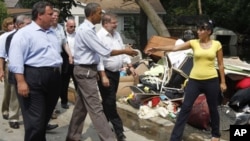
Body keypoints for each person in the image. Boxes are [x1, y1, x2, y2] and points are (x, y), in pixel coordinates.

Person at [66, 3, 138, 141]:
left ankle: (72, 136)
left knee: (81, 108)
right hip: (85, 72)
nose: (101, 15)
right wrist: (125, 51)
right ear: (92, 14)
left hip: (88, 71)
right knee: (96, 109)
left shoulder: (90, 29)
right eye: (99, 13)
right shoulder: (87, 31)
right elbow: (104, 52)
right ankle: (109, 138)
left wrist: (127, 60)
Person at [145, 20, 227, 141]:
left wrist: (223, 82)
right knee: (185, 108)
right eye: (198, 29)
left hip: (211, 80)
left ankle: (215, 135)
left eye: (201, 29)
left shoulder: (217, 44)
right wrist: (157, 48)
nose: (198, 31)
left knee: (213, 107)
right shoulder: (193, 43)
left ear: (209, 31)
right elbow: (174, 47)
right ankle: (175, 138)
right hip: (194, 80)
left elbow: (220, 64)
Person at [8, 1, 62, 141]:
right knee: (35, 123)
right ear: (40, 15)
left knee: (43, 120)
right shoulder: (24, 34)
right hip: (33, 78)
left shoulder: (52, 33)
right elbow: (16, 59)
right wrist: (21, 82)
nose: (53, 17)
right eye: (50, 14)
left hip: (53, 78)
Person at [96, 12, 136, 141]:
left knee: (108, 101)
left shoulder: (117, 34)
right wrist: (103, 76)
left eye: (116, 22)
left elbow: (122, 51)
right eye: (114, 23)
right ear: (106, 23)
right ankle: (119, 131)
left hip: (115, 73)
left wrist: (130, 65)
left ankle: (103, 127)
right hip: (105, 73)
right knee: (110, 102)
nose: (116, 25)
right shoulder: (99, 36)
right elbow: (99, 58)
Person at [0, 15, 31, 129]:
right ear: (19, 25)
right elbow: (2, 55)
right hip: (12, 65)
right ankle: (12, 115)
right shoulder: (7, 37)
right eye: (27, 24)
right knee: (12, 91)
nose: (29, 26)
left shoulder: (31, 36)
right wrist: (1, 70)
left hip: (28, 66)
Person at [51, 8, 73, 110]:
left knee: (58, 84)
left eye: (57, 15)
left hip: (59, 59)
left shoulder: (60, 28)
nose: (55, 17)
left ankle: (53, 107)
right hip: (48, 60)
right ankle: (50, 109)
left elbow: (64, 43)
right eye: (53, 15)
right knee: (51, 84)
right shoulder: (46, 28)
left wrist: (69, 55)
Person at [60, 18, 77, 110]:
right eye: (71, 26)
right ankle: (64, 101)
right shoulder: (62, 35)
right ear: (66, 26)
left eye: (74, 26)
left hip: (76, 61)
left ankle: (79, 102)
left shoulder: (78, 35)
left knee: (78, 83)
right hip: (65, 62)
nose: (73, 28)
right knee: (64, 83)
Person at [0, 17, 15, 121]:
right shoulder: (3, 37)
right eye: (9, 24)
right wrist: (1, 69)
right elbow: (1, 55)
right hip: (8, 64)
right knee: (8, 89)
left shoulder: (18, 35)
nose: (12, 26)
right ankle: (5, 109)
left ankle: (14, 111)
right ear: (6, 26)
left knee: (15, 90)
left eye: (13, 24)